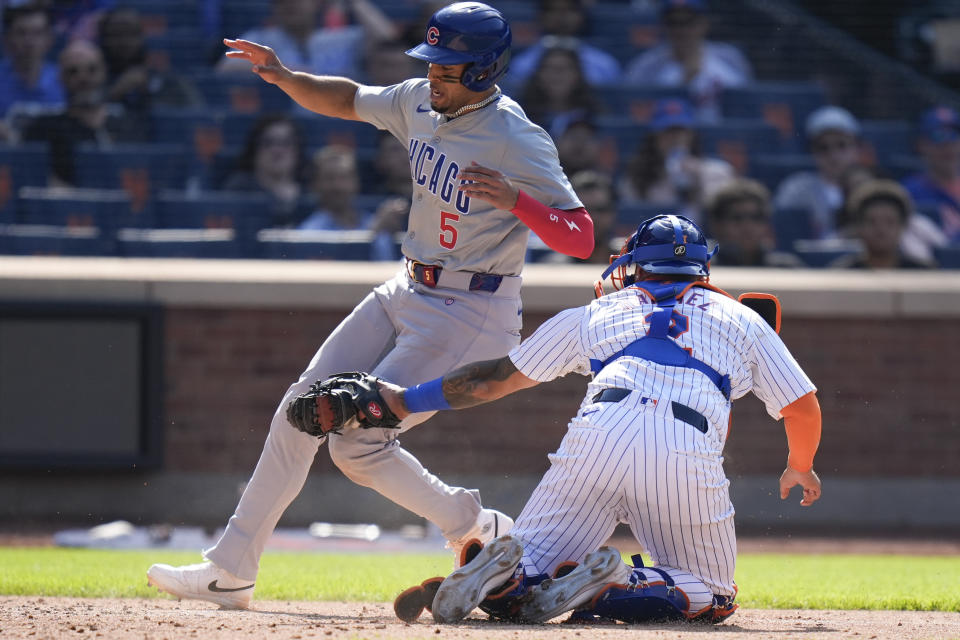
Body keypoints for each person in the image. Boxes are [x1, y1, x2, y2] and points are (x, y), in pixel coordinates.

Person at [146, 2, 595, 610]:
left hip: (471, 308)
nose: (434, 75)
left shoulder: (516, 137)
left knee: (355, 443)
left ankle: (471, 522)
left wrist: (518, 200)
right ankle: (229, 571)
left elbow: (580, 236)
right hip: (407, 286)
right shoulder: (417, 99)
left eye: (449, 67)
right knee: (302, 408)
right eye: (432, 62)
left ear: (485, 69)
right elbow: (348, 98)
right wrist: (285, 75)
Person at [378, 214, 823, 624]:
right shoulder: (742, 318)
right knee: (713, 594)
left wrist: (404, 400)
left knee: (532, 571)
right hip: (683, 445)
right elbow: (801, 406)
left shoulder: (598, 311)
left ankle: (503, 574)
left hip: (596, 435)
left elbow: (492, 379)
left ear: (634, 265)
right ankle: (616, 583)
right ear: (703, 269)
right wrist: (799, 465)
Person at [20, 39, 147, 187]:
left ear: (104, 73)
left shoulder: (129, 125)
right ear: (60, 78)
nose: (83, 78)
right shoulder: (42, 129)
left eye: (92, 70)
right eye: (73, 71)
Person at [623, 0, 753, 122]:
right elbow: (635, 116)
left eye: (688, 22)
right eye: (673, 22)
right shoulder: (644, 66)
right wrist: (683, 84)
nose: (680, 30)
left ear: (703, 23)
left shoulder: (730, 58)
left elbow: (748, 106)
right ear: (663, 26)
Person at [618, 98, 734, 226]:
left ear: (692, 135)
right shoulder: (638, 175)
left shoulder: (718, 171)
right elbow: (631, 218)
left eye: (681, 131)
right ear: (654, 138)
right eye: (668, 132)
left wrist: (698, 178)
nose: (675, 139)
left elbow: (726, 213)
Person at [216, 0, 397, 79]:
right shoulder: (261, 38)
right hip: (285, 122)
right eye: (281, 1)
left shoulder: (340, 38)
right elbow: (225, 67)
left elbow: (388, 39)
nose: (290, 4)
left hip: (339, 119)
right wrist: (286, 70)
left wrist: (354, 2)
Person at [773, 105, 863, 241]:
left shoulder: (870, 186)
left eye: (842, 145)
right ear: (813, 152)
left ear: (856, 148)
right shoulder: (796, 189)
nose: (833, 155)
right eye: (823, 148)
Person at [97, 6, 203, 114]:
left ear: (142, 37)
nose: (123, 42)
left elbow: (195, 115)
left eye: (131, 33)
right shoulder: (91, 76)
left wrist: (148, 94)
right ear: (104, 39)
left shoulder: (167, 80)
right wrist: (116, 92)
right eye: (116, 34)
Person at [505, 0, 621, 92]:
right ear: (541, 16)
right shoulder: (521, 65)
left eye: (570, 10)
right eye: (553, 10)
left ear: (582, 15)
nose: (561, 16)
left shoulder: (605, 64)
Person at [221, 113, 311, 228]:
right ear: (254, 149)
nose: (277, 150)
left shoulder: (311, 191)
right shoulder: (238, 189)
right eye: (268, 143)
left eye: (286, 143)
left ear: (298, 150)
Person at [830, 179, 935, 269]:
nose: (881, 229)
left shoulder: (924, 273)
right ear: (858, 227)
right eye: (872, 222)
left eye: (890, 222)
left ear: (903, 226)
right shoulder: (841, 275)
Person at [708, 178, 804, 267]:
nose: (748, 226)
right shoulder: (703, 269)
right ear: (717, 225)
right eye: (737, 218)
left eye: (756, 217)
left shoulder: (785, 268)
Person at [902, 106, 960, 243]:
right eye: (938, 136)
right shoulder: (908, 192)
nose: (948, 145)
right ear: (921, 145)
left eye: (954, 135)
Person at [517, 43, 600, 137]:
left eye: (564, 68)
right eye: (549, 68)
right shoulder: (519, 114)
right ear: (538, 75)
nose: (556, 75)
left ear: (578, 75)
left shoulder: (596, 115)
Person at [0, 3, 64, 118]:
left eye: (37, 33)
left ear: (50, 39)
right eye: (21, 33)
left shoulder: (64, 79)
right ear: (7, 39)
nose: (29, 42)